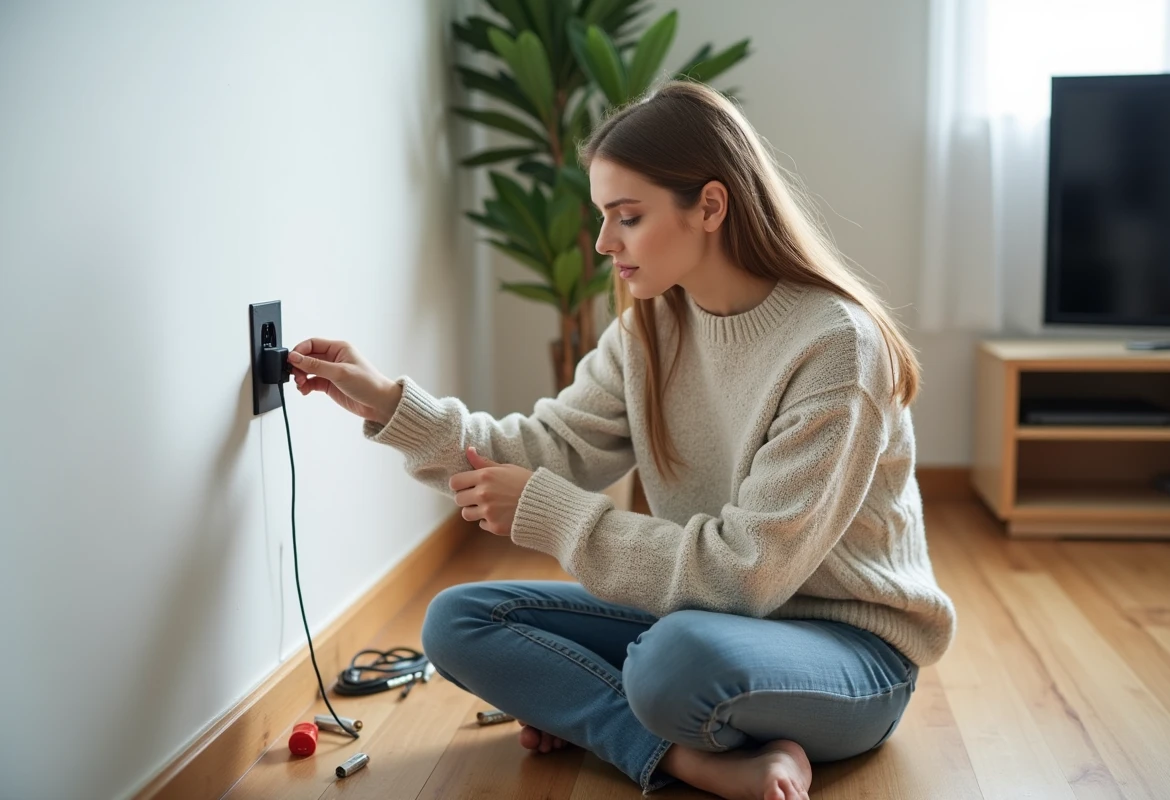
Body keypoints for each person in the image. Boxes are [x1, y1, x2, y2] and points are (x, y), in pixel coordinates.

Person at [287, 80, 956, 800]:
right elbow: (545, 446)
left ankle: (615, 715)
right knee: (459, 620)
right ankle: (692, 757)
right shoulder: (650, 330)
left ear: (710, 206)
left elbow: (745, 576)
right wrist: (390, 402)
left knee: (673, 664)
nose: (605, 242)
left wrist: (551, 516)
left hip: (850, 653)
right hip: (700, 623)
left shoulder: (835, 347)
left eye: (627, 217)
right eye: (605, 217)